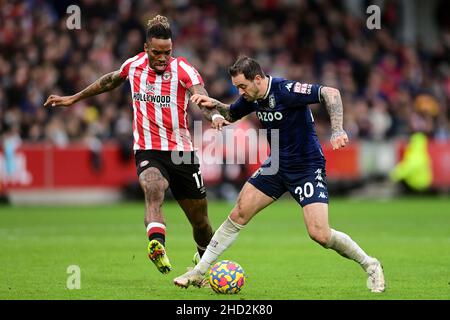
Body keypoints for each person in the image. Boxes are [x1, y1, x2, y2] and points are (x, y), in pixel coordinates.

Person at [173, 56, 386, 293]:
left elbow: (331, 92)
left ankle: (371, 264)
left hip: (306, 167)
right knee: (239, 213)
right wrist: (213, 104)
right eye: (237, 88)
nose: (240, 92)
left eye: (242, 86)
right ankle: (199, 271)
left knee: (320, 234)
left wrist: (337, 129)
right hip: (276, 166)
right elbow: (231, 114)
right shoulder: (252, 97)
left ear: (257, 79)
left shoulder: (286, 90)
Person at [44, 15, 228, 275]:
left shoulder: (184, 70)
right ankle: (157, 244)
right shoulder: (134, 65)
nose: (163, 58)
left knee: (200, 222)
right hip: (148, 149)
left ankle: (203, 263)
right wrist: (74, 98)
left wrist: (216, 116)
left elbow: (202, 97)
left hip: (182, 153)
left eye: (167, 52)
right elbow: (109, 80)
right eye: (157, 53)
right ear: (146, 49)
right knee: (153, 188)